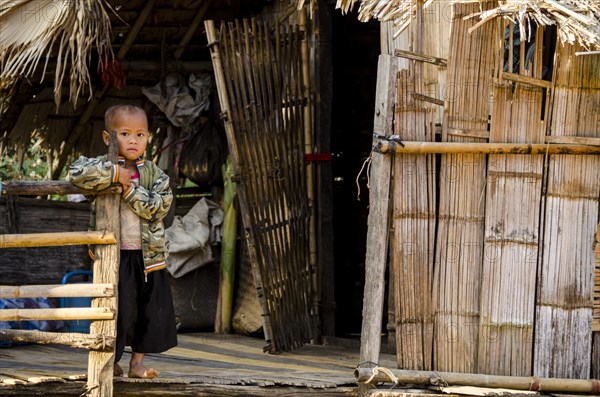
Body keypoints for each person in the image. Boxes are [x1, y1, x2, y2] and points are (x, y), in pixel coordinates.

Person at [68, 104, 177, 379]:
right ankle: (111, 361)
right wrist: (116, 175)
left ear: (147, 138)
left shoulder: (155, 174)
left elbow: (158, 207)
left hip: (148, 258)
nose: (133, 140)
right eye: (125, 133)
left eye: (140, 134)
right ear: (108, 138)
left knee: (147, 311)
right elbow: (75, 173)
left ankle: (136, 364)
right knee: (115, 310)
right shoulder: (102, 168)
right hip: (113, 257)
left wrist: (129, 191)